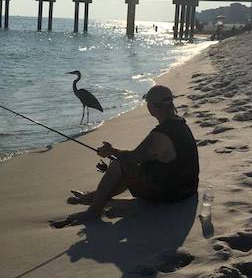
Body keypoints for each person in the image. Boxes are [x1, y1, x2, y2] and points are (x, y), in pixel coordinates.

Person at [51, 85, 199, 228]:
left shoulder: (159, 135)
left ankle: (93, 211)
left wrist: (111, 151)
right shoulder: (180, 124)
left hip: (171, 193)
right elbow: (149, 158)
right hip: (188, 188)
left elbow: (133, 158)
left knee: (118, 164)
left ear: (153, 107)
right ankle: (92, 197)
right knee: (127, 165)